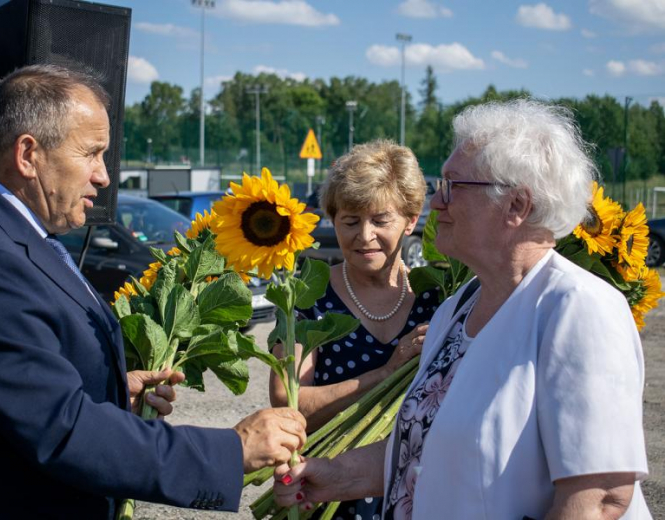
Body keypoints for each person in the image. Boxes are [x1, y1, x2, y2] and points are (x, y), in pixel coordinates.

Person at [0, 64, 306, 520]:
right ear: (29, 154)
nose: (104, 176)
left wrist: (107, 391)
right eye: (91, 153)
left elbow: (9, 393)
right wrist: (233, 449)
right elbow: (60, 430)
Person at [274, 100, 652, 519]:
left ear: (516, 205)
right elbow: (424, 447)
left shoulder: (579, 309)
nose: (436, 205)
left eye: (452, 187)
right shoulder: (458, 308)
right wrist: (334, 475)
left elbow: (598, 497)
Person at [269, 140, 438, 519]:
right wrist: (387, 372)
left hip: (413, 493)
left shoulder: (437, 299)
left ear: (411, 220)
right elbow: (287, 403)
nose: (364, 236)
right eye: (349, 221)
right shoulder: (307, 294)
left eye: (380, 220)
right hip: (320, 492)